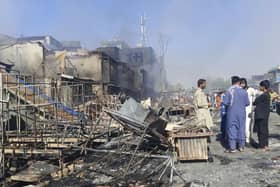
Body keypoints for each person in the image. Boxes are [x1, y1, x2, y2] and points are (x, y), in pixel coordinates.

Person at [223, 76, 249, 153]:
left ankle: (233, 147)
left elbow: (225, 102)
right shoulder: (244, 91)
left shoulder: (229, 91)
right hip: (241, 113)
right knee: (241, 128)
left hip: (231, 113)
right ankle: (241, 146)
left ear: (232, 82)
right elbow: (247, 103)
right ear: (238, 82)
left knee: (232, 128)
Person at [253, 80, 271, 151]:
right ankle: (265, 145)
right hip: (265, 115)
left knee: (261, 131)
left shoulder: (264, 95)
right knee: (265, 130)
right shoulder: (267, 94)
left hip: (261, 115)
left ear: (263, 87)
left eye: (260, 86)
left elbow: (255, 102)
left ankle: (262, 145)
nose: (259, 87)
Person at [240, 78, 257, 145]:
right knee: (242, 126)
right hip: (241, 110)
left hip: (248, 110)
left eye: (244, 83)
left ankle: (248, 139)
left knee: (248, 126)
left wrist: (253, 103)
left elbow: (255, 95)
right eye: (241, 83)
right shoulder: (239, 90)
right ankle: (242, 139)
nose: (242, 84)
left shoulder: (250, 90)